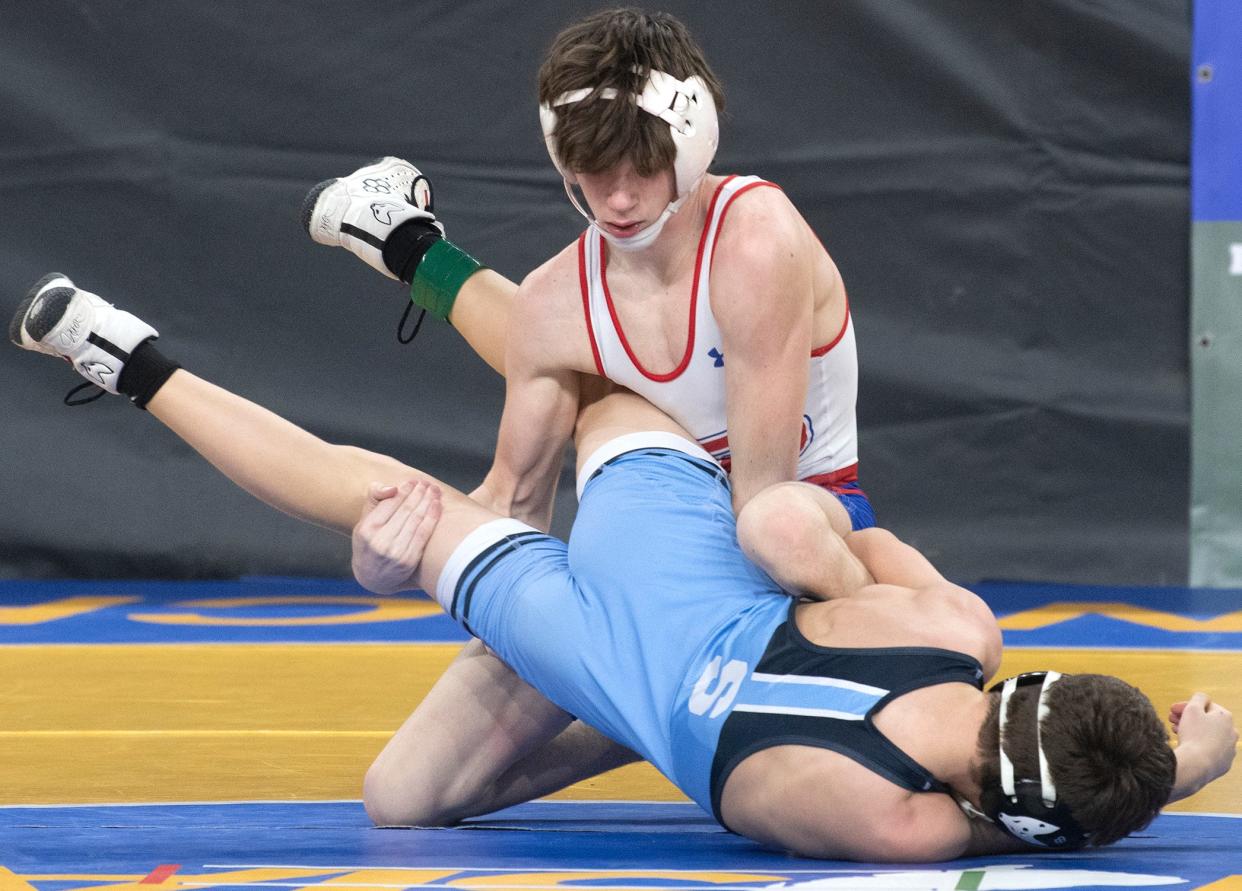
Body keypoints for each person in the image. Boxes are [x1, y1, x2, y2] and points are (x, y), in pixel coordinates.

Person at [11, 273, 1235, 861]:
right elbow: (1028, 830)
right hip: (622, 660)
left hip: (669, 596)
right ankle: (147, 363)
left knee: (403, 795)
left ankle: (397, 258)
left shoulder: (962, 633)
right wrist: (1165, 779)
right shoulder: (902, 822)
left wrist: (1175, 759)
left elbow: (851, 537)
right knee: (389, 499)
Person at [305, 8, 871, 542]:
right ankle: (407, 242)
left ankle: (408, 244)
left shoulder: (754, 242)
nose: (619, 201)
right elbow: (509, 507)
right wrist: (406, 540)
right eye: (597, 171)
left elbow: (764, 504)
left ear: (693, 145)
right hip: (676, 521)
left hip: (802, 519)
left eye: (643, 169)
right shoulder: (554, 297)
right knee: (556, 338)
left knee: (760, 522)